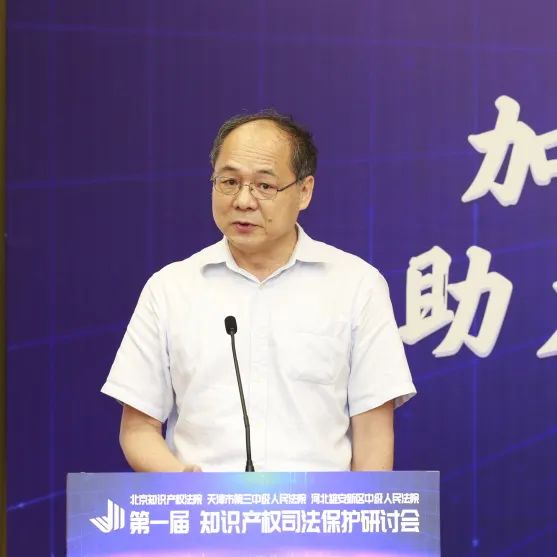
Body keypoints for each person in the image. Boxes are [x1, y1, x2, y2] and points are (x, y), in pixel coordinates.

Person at [101, 110, 416, 473]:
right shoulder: (170, 289)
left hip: (318, 507)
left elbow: (373, 436)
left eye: (264, 186)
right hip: (204, 506)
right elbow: (138, 428)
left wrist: (360, 510)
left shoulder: (357, 285)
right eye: (229, 182)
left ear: (304, 191)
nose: (243, 201)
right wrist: (183, 485)